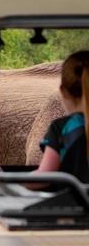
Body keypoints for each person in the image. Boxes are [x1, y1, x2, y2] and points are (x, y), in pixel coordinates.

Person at [34, 50, 89, 184]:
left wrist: (6, 179)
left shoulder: (62, 128)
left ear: (63, 92)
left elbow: (44, 178)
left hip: (74, 204)